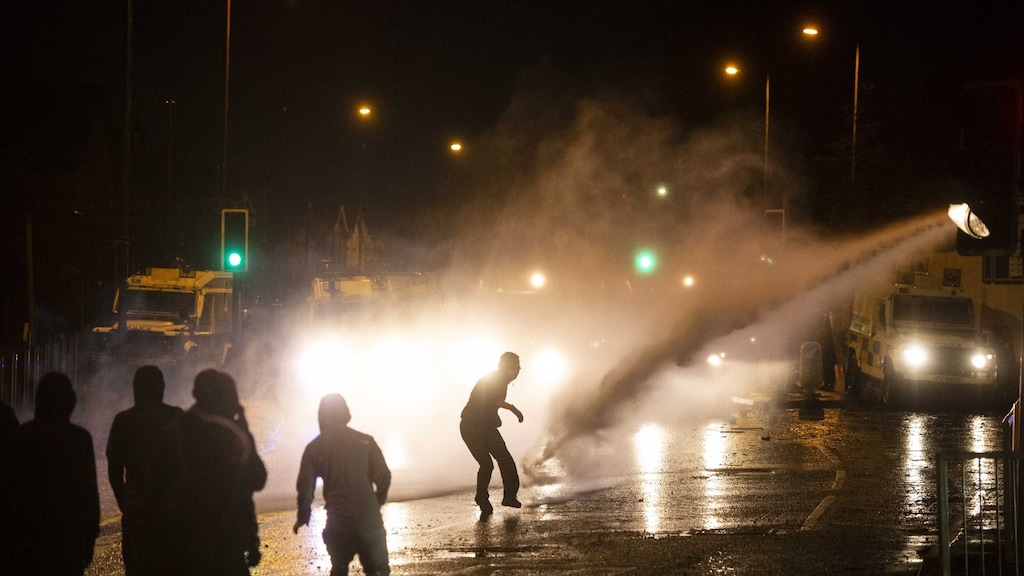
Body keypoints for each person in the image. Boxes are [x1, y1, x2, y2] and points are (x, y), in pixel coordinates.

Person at [146, 369, 267, 576]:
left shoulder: (174, 431)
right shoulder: (228, 434)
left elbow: (155, 491)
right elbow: (256, 480)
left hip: (183, 546)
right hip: (221, 544)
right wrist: (244, 429)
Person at [0, 372, 100, 576]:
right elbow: (89, 496)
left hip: (28, 540)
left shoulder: (21, 438)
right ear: (69, 402)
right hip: (67, 542)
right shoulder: (79, 439)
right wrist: (88, 539)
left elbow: (7, 495)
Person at [293, 393, 391, 576]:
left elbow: (305, 486)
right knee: (378, 570)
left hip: (339, 521)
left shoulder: (314, 448)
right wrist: (378, 501)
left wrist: (303, 515)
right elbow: (384, 475)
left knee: (339, 569)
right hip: (369, 520)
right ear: (345, 412)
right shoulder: (366, 441)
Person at [106, 365, 184, 576]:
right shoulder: (177, 418)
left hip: (137, 510)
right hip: (172, 512)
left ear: (136, 389)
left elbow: (114, 471)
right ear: (162, 388)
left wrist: (127, 505)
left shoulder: (124, 422)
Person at [460, 351, 524, 516]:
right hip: (471, 427)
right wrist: (513, 409)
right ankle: (482, 497)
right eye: (515, 367)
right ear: (505, 368)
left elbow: (489, 404)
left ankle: (509, 497)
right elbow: (492, 400)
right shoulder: (495, 380)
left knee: (506, 460)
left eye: (518, 367)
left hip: (485, 427)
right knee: (487, 464)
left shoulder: (500, 381)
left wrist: (495, 418)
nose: (518, 371)